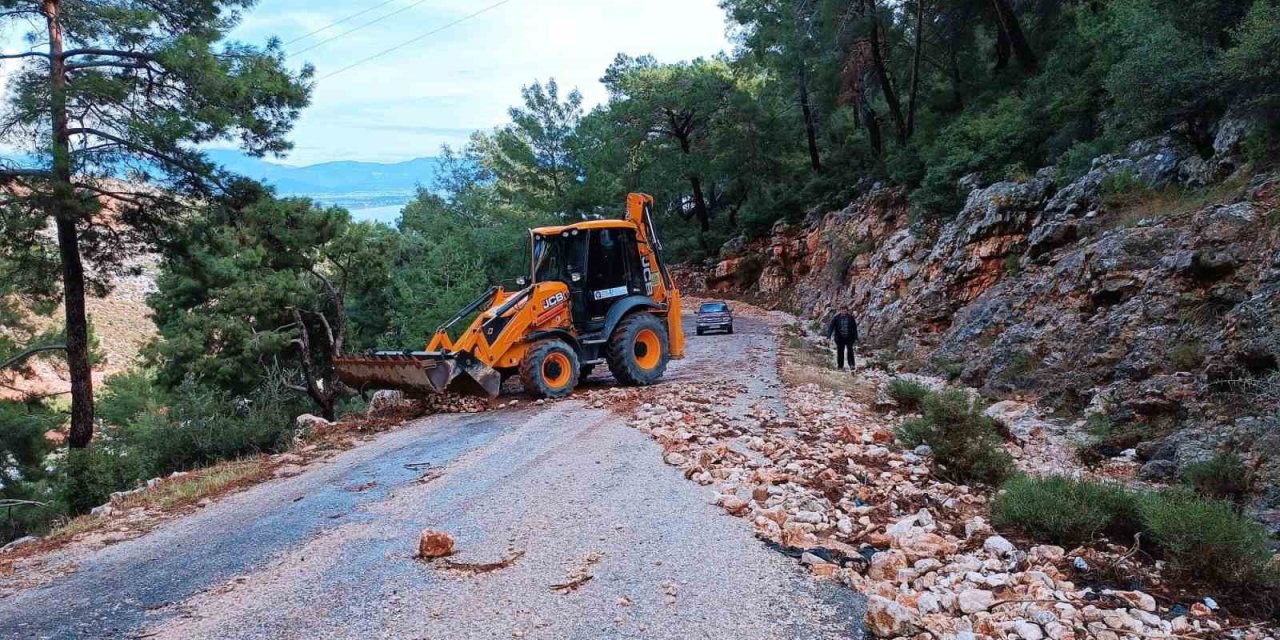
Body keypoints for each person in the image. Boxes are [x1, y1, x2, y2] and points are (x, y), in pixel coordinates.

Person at [824, 305, 859, 370]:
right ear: (840, 310)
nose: (843, 312)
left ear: (847, 311)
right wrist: (828, 337)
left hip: (849, 337)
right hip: (839, 338)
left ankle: (851, 365)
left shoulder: (851, 318)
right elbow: (831, 327)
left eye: (845, 310)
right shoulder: (836, 318)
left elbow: (854, 328)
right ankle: (840, 366)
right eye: (842, 310)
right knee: (840, 352)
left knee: (850, 351)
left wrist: (856, 338)